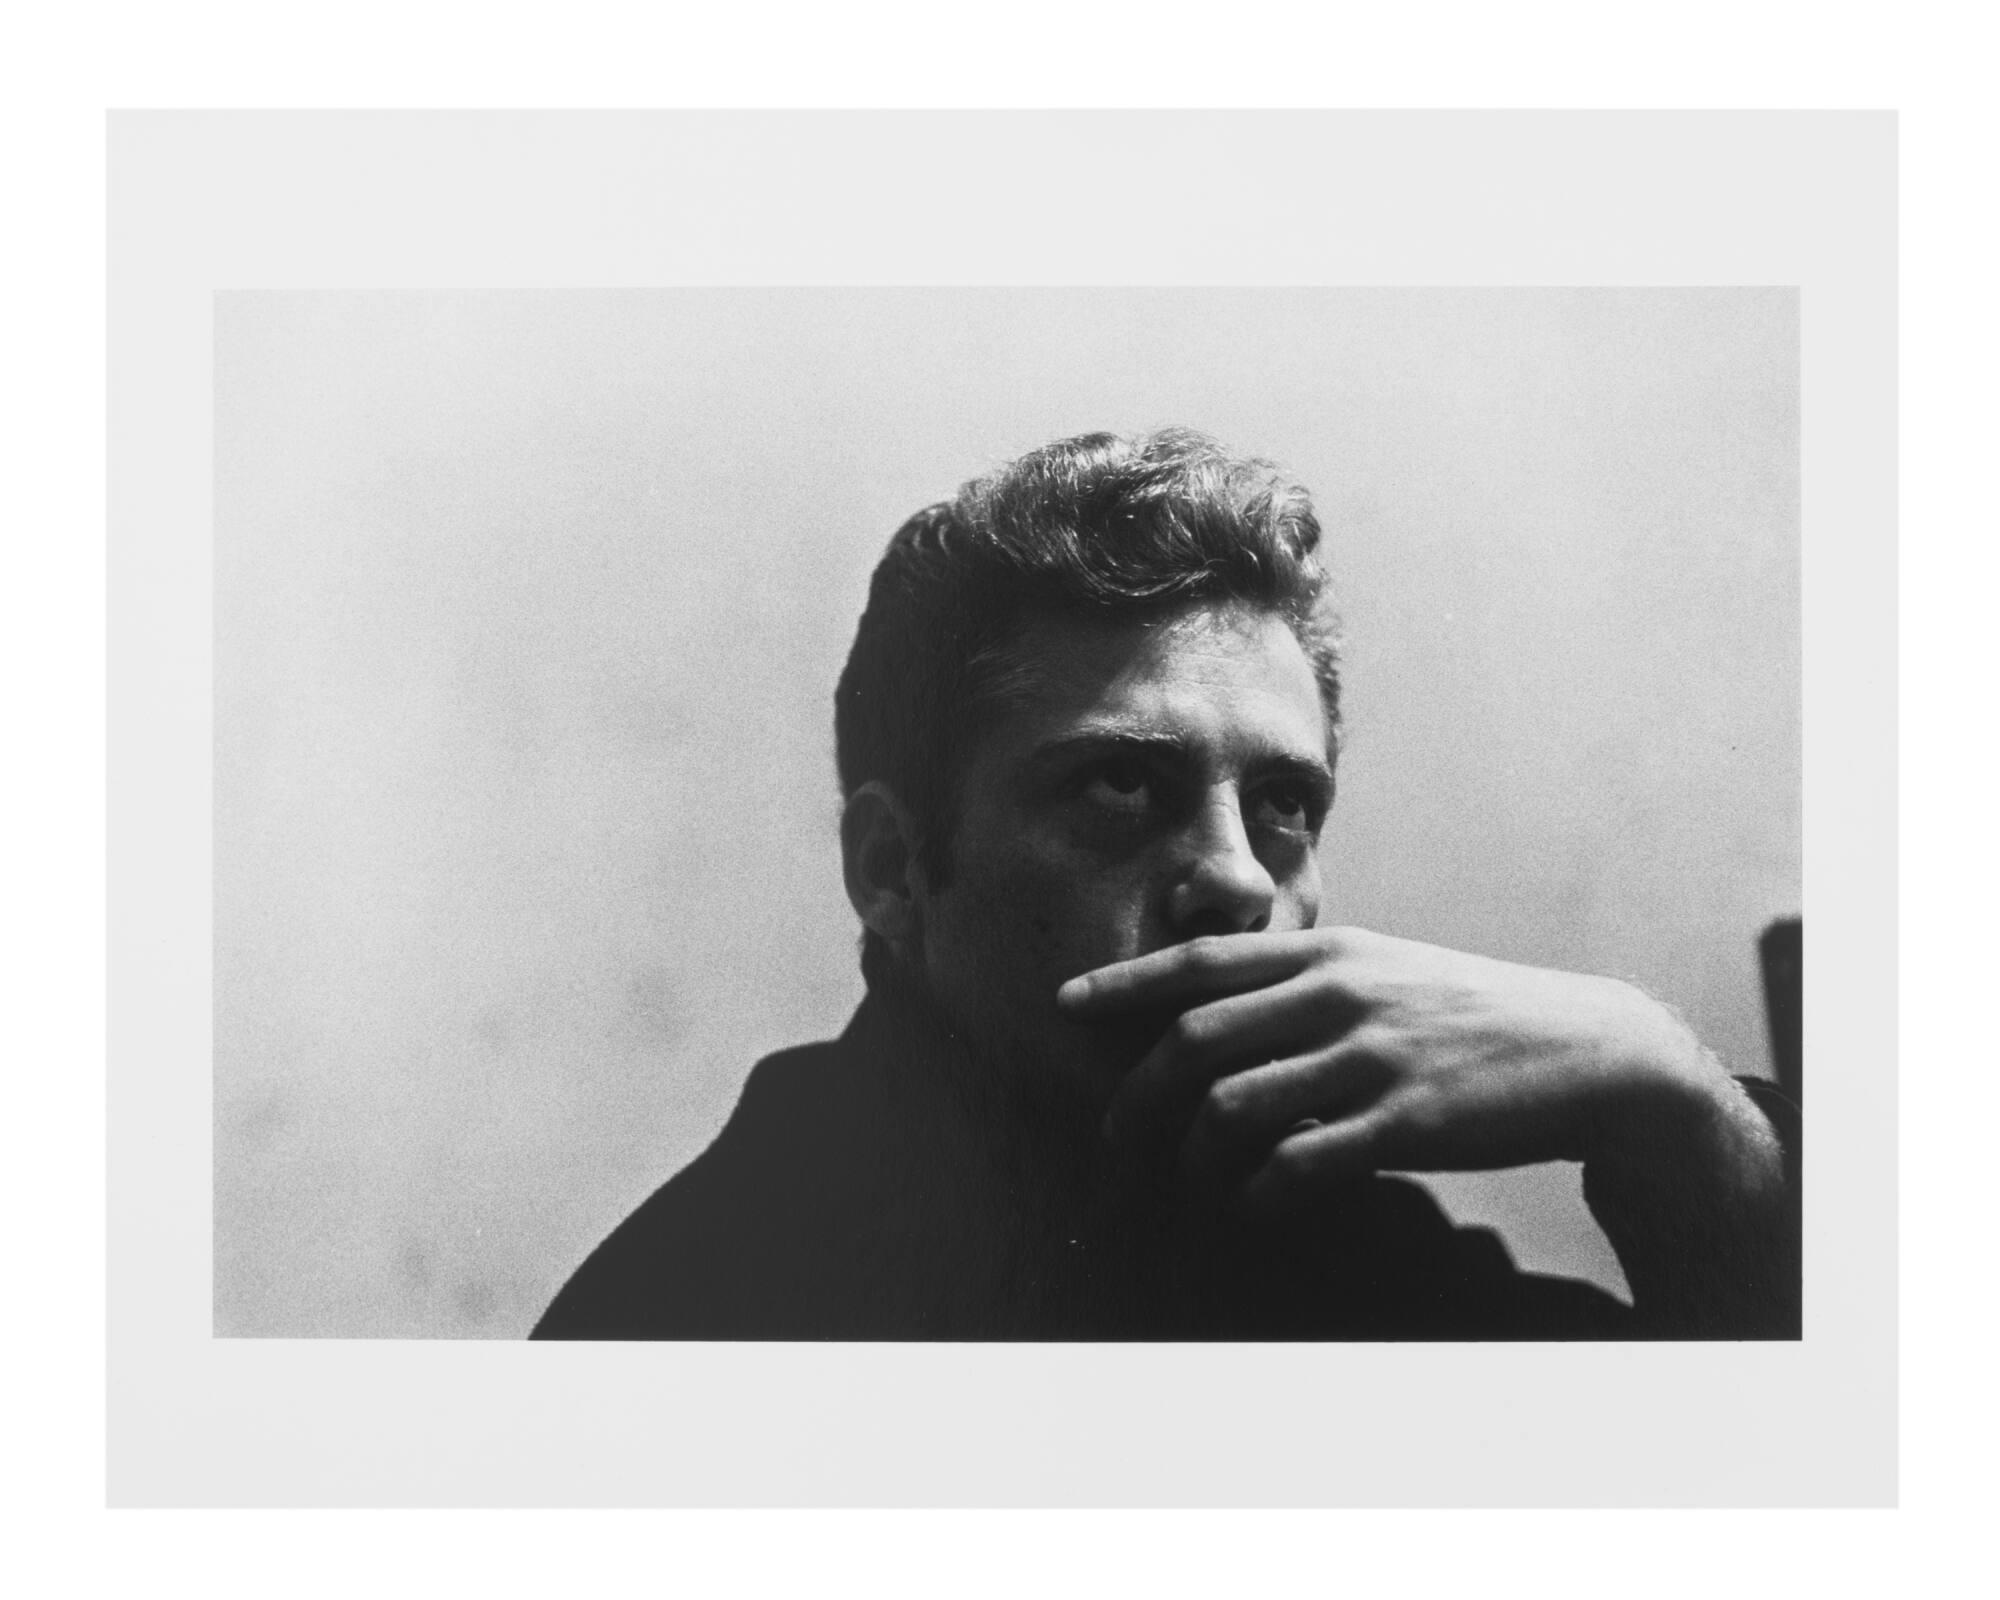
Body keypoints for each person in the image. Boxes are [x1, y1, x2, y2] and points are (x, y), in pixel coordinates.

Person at [533, 428, 1800, 1341]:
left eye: (1283, 805)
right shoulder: (696, 1322)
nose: (1237, 878)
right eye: (1119, 786)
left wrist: (1670, 1103)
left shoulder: (1298, 1233)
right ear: (890, 870)